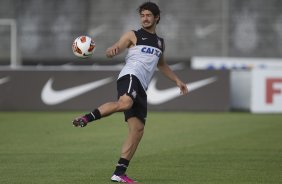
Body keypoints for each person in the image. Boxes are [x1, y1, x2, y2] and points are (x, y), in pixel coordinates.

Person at [72, 2, 188, 183]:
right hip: (130, 76)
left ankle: (119, 173)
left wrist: (177, 81)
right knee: (125, 102)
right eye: (142, 15)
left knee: (137, 130)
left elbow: (162, 65)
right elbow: (117, 47)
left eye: (149, 15)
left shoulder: (160, 42)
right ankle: (86, 118)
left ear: (157, 17)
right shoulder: (133, 35)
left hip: (142, 86)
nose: (145, 18)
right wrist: (112, 51)